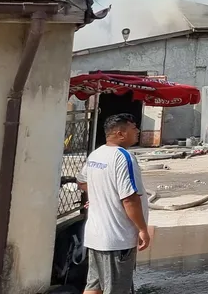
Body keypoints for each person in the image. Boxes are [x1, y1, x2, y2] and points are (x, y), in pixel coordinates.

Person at [78, 114, 152, 294]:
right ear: (121, 133)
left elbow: (82, 181)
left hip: (96, 236)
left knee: (94, 286)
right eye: (134, 128)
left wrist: (100, 195)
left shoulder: (97, 154)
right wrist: (142, 229)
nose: (138, 131)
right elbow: (129, 199)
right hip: (117, 238)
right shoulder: (124, 157)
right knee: (117, 289)